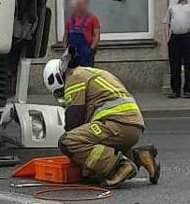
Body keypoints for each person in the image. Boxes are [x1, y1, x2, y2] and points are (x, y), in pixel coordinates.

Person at [42, 49, 160, 188]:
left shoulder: (74, 77)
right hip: (132, 126)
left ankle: (121, 167)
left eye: (61, 91)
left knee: (68, 141)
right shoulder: (92, 73)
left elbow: (74, 120)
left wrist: (76, 156)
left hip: (116, 123)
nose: (64, 93)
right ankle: (140, 155)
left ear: (57, 79)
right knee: (95, 159)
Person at [164, 0, 190, 98]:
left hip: (189, 37)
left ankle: (188, 90)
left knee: (189, 64)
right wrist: (167, 38)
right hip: (175, 37)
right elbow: (166, 22)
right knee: (174, 64)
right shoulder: (172, 5)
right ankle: (175, 90)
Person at [63, 0, 101, 67]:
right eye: (78, 4)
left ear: (86, 5)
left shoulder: (93, 18)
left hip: (86, 53)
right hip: (71, 54)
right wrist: (65, 49)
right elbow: (66, 35)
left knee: (86, 74)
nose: (80, 6)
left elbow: (97, 35)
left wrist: (91, 49)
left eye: (82, 4)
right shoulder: (70, 19)